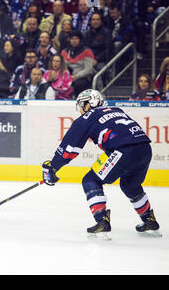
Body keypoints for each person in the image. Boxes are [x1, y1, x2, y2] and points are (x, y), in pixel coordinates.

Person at [42, 89, 161, 239]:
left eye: (82, 105)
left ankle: (101, 220)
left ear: (89, 103)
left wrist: (53, 166)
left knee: (90, 180)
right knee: (130, 185)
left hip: (122, 150)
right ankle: (149, 219)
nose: (81, 109)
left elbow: (70, 148)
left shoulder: (87, 117)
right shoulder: (116, 109)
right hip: (144, 149)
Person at [61, 30, 96, 97]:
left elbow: (88, 69)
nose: (74, 41)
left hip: (83, 77)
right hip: (68, 76)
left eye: (76, 39)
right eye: (72, 39)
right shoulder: (64, 52)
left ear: (80, 40)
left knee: (79, 84)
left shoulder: (87, 51)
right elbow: (62, 67)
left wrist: (76, 77)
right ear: (69, 40)